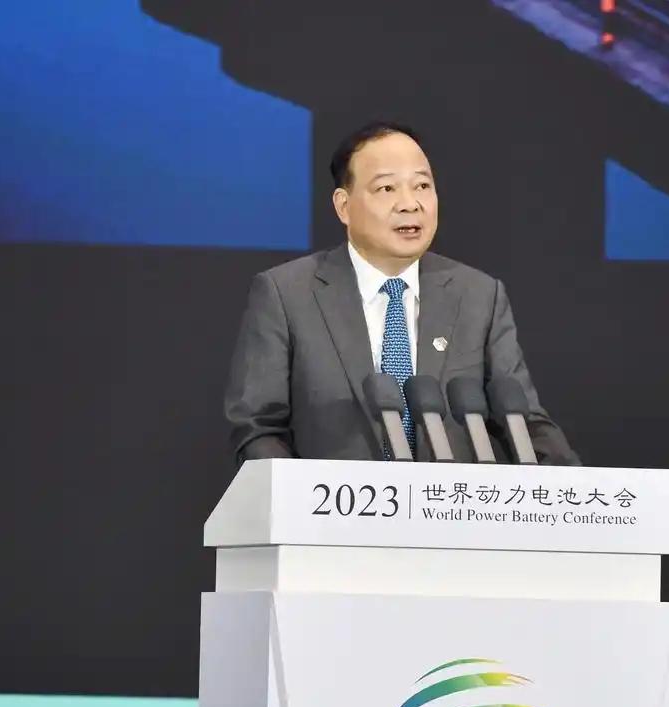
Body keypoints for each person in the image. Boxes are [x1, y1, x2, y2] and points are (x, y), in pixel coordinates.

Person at [224, 121, 579, 465]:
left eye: (422, 186)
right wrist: (297, 495)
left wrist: (578, 488)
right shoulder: (287, 294)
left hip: (446, 504)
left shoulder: (479, 296)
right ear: (344, 206)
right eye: (387, 189)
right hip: (330, 505)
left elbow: (524, 422)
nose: (410, 204)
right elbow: (258, 428)